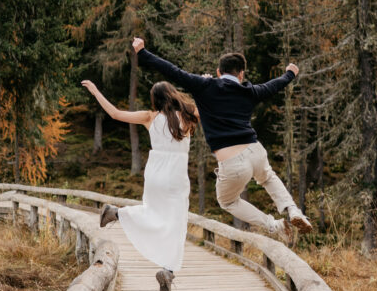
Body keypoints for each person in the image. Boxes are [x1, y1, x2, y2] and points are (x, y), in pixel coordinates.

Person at [131, 38, 312, 241]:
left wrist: (143, 52)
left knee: (227, 201)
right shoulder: (250, 91)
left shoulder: (204, 86)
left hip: (232, 161)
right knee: (268, 177)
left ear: (218, 71)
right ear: (241, 74)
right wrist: (290, 73)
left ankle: (273, 226)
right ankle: (293, 209)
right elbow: (273, 86)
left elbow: (173, 71)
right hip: (255, 150)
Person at [81, 77, 197, 291]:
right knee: (177, 224)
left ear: (155, 100)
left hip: (155, 173)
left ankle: (116, 213)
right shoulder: (189, 114)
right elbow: (212, 108)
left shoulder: (150, 117)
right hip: (176, 176)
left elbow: (114, 113)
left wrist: (96, 91)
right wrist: (205, 83)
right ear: (173, 94)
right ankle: (168, 271)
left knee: (151, 212)